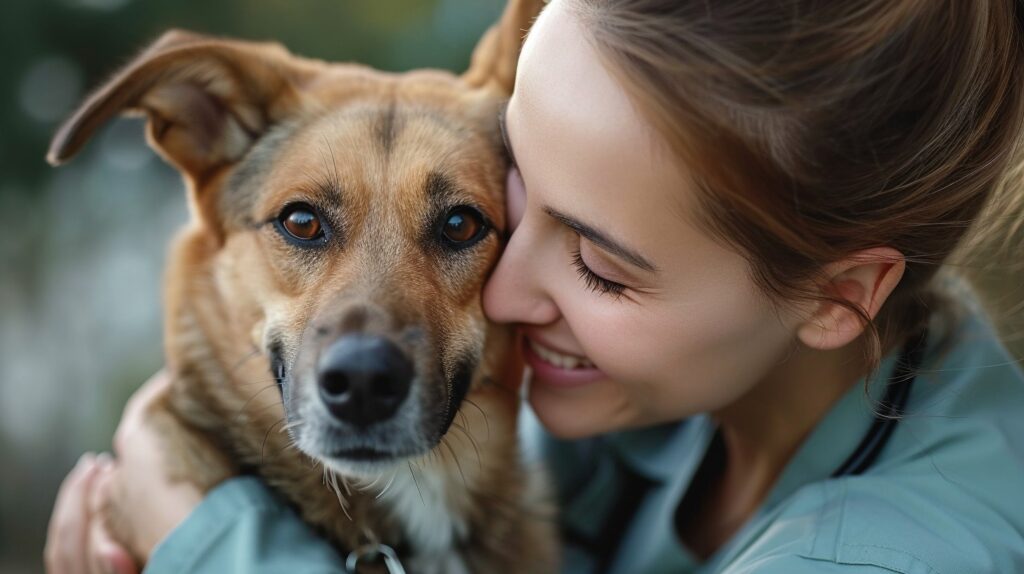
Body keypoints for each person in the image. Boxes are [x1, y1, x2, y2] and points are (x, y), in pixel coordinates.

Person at [46, 0, 1024, 572]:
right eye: (518, 204)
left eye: (599, 264)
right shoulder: (680, 390)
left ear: (836, 295)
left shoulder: (892, 553)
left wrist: (199, 533)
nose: (501, 297)